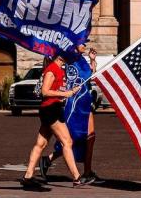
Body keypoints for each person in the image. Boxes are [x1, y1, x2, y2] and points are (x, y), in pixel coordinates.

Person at [38, 44, 101, 185]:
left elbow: (89, 77)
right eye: (82, 43)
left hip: (85, 101)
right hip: (74, 105)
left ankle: (86, 171)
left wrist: (92, 60)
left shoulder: (81, 59)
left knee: (89, 138)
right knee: (75, 138)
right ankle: (82, 172)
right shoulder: (69, 60)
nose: (85, 45)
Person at [20, 53, 84, 189]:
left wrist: (70, 91)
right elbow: (45, 91)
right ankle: (77, 177)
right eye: (67, 52)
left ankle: (28, 176)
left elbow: (55, 92)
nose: (70, 55)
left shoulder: (60, 70)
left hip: (52, 108)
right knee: (67, 141)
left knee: (41, 143)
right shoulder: (51, 69)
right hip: (50, 110)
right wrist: (64, 94)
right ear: (60, 56)